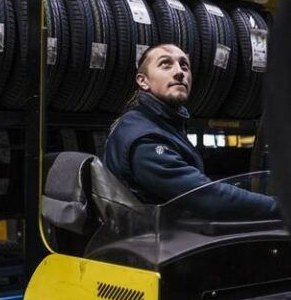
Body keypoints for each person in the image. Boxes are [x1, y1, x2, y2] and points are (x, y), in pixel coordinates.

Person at [103, 43, 279, 220]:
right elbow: (206, 196)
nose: (180, 72)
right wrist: (280, 207)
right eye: (166, 64)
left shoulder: (159, 123)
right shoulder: (145, 137)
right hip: (149, 242)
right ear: (143, 81)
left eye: (184, 65)